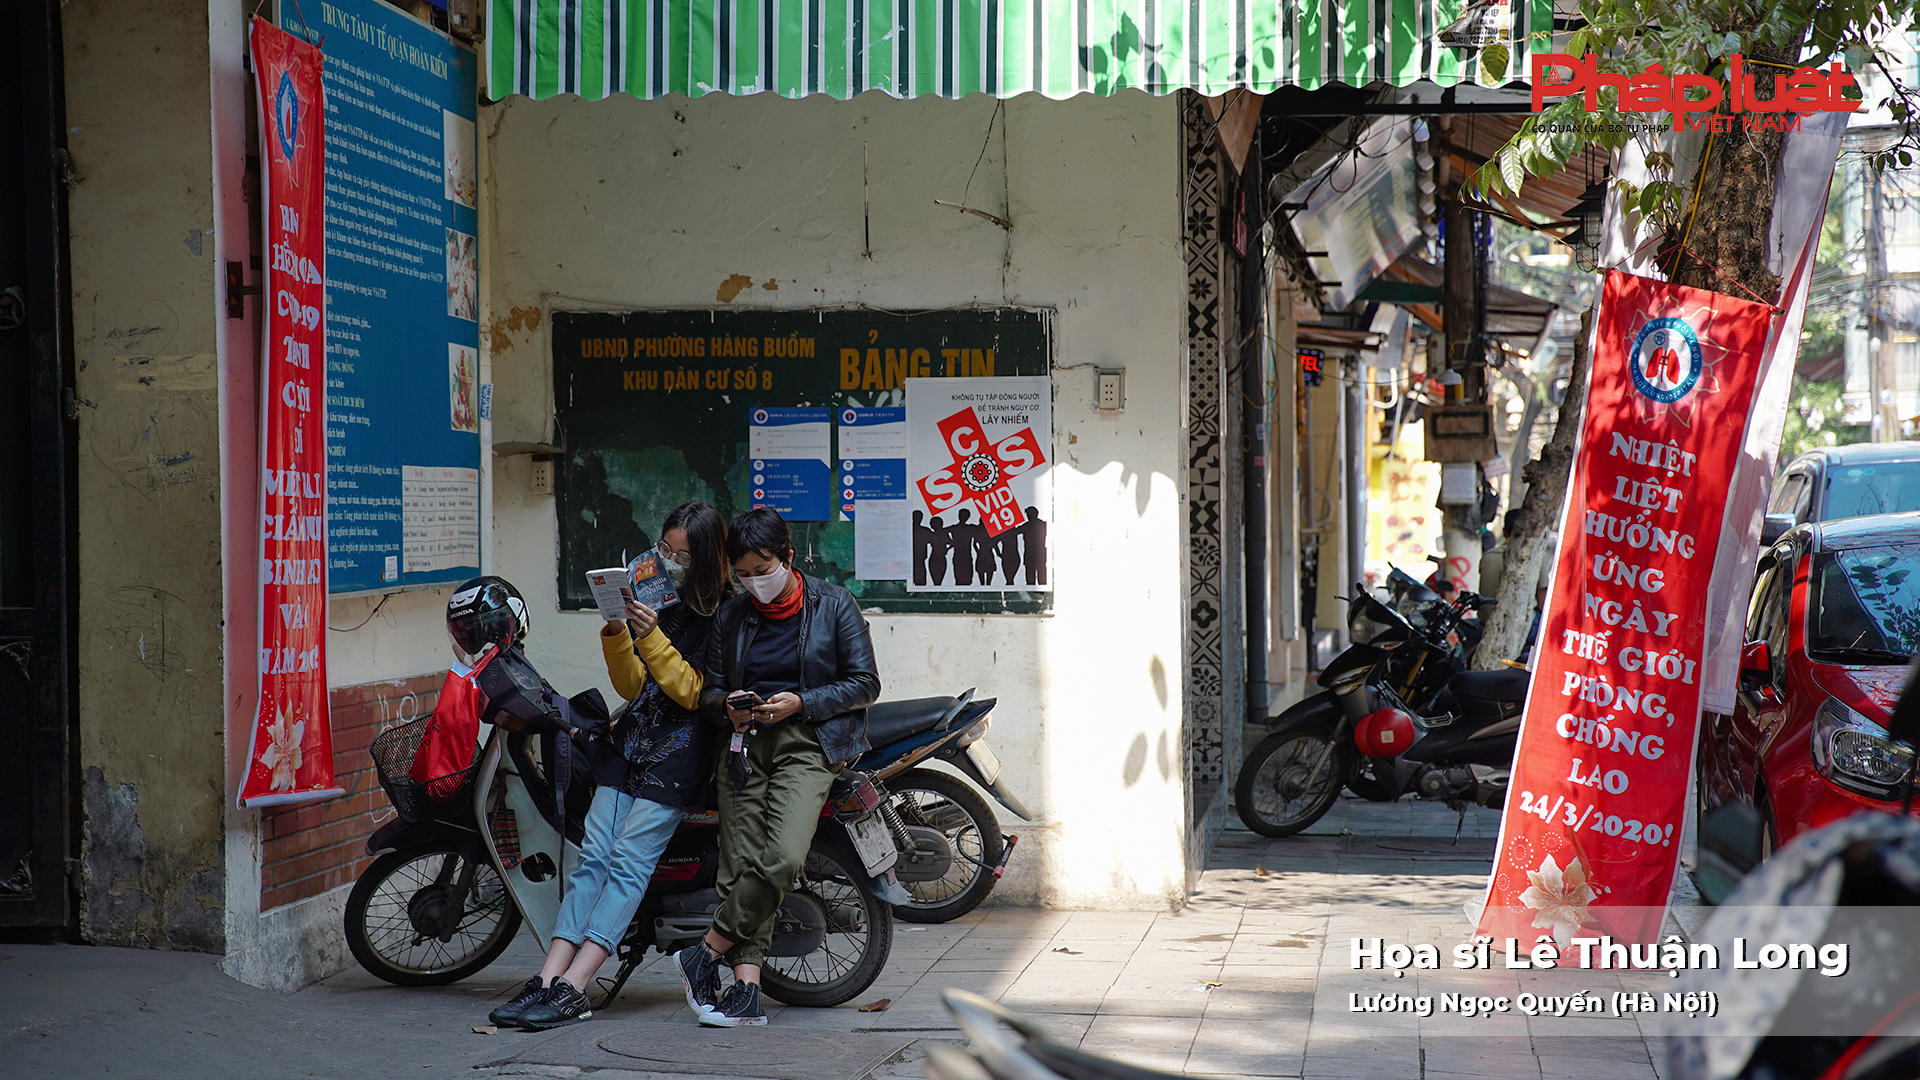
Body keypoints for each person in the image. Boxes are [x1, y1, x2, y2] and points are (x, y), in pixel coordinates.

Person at [487, 501, 731, 1031]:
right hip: (628, 746)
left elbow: (693, 693)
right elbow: (632, 686)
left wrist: (651, 636)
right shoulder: (656, 599)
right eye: (665, 550)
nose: (670, 562)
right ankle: (549, 978)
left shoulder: (725, 614)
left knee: (628, 865)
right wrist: (619, 630)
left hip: (679, 758)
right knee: (593, 858)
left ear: (709, 557)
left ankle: (577, 987)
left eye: (684, 556)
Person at [673, 508, 881, 1027]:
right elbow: (710, 692)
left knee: (783, 858)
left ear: (787, 557)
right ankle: (747, 990)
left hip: (807, 743)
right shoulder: (732, 615)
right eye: (743, 574)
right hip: (743, 745)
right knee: (740, 867)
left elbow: (865, 683)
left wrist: (802, 702)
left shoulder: (834, 604)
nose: (754, 583)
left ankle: (706, 950)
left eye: (762, 570)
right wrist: (727, 706)